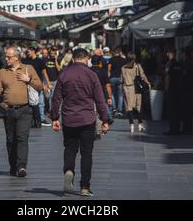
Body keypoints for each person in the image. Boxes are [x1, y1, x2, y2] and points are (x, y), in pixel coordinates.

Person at [51, 48, 109, 197]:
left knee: (70, 148)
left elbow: (56, 98)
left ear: (73, 59)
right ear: (86, 58)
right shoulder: (91, 75)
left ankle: (69, 170)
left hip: (69, 118)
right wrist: (105, 119)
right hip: (87, 119)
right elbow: (100, 99)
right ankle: (84, 187)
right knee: (86, 153)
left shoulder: (64, 74)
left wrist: (55, 118)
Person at [0, 46, 42, 177]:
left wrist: (28, 79)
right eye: (6, 56)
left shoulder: (28, 69)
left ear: (16, 57)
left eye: (8, 56)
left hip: (25, 109)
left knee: (22, 138)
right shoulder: (2, 72)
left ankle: (21, 166)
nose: (6, 58)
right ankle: (13, 165)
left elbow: (39, 85)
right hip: (8, 110)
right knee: (11, 139)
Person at [121, 52, 151, 133]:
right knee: (138, 106)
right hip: (137, 88)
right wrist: (148, 82)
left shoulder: (123, 68)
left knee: (129, 107)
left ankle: (131, 125)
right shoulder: (137, 66)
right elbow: (143, 76)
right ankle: (140, 124)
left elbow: (122, 79)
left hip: (127, 88)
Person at [22, 47, 52, 127]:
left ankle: (41, 119)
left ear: (33, 51)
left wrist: (48, 84)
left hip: (38, 84)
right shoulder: (25, 61)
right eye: (26, 52)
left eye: (28, 52)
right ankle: (32, 119)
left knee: (41, 103)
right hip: (28, 84)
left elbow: (44, 73)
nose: (27, 53)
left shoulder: (40, 61)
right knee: (31, 103)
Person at [163, 49, 183, 136]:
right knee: (178, 109)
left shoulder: (169, 64)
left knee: (171, 110)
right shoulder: (179, 63)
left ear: (169, 54)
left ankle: (172, 129)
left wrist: (166, 89)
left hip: (171, 89)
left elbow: (167, 77)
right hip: (179, 89)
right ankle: (177, 128)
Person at [179, 48, 193, 135]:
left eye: (181, 53)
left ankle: (187, 129)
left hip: (187, 90)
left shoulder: (188, 64)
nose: (180, 55)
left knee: (187, 111)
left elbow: (185, 75)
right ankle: (187, 128)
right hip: (187, 90)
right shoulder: (189, 63)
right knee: (186, 111)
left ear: (185, 54)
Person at [108, 47, 126, 117]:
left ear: (114, 52)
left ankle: (114, 108)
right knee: (120, 95)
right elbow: (124, 70)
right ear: (120, 52)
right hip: (120, 78)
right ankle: (120, 110)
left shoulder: (111, 59)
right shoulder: (123, 60)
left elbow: (109, 69)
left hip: (112, 78)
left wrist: (108, 77)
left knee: (112, 94)